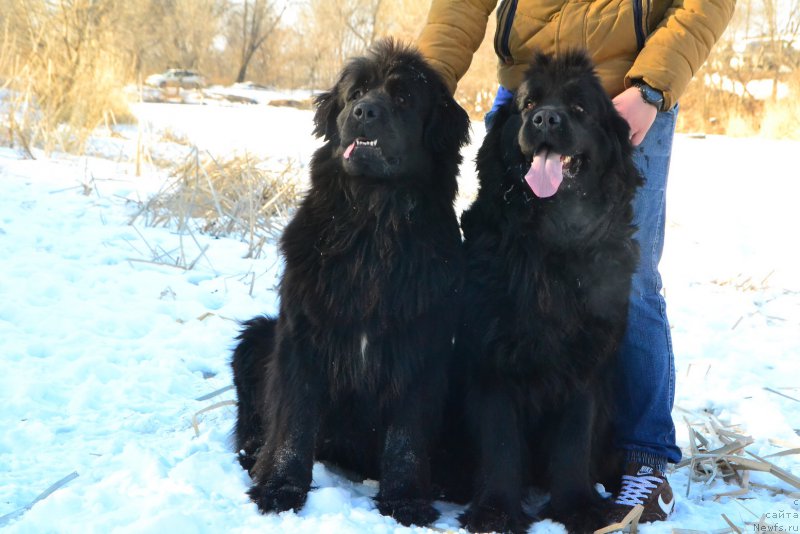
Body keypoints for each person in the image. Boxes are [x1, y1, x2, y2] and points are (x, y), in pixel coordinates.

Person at [417, 0, 735, 524]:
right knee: (496, 278)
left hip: (626, 99)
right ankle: (484, 463)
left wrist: (652, 86)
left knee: (625, 285)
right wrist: (426, 87)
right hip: (526, 88)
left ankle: (643, 459)